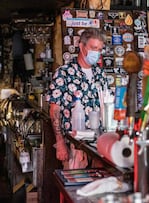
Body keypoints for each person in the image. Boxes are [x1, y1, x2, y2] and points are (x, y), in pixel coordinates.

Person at [47, 28, 108, 169]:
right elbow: (54, 110)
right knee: (75, 186)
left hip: (98, 144)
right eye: (93, 48)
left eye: (99, 49)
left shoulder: (101, 74)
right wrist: (60, 142)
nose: (96, 53)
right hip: (74, 145)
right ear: (81, 46)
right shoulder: (64, 73)